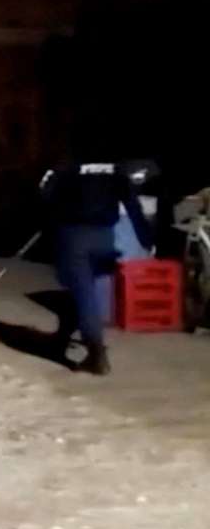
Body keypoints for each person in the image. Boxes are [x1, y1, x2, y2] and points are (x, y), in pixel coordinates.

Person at [41, 121, 153, 376]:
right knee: (81, 290)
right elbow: (133, 206)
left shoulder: (66, 167)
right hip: (105, 238)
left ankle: (96, 353)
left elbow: (45, 194)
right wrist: (147, 238)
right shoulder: (116, 170)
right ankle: (63, 336)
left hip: (74, 237)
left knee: (83, 293)